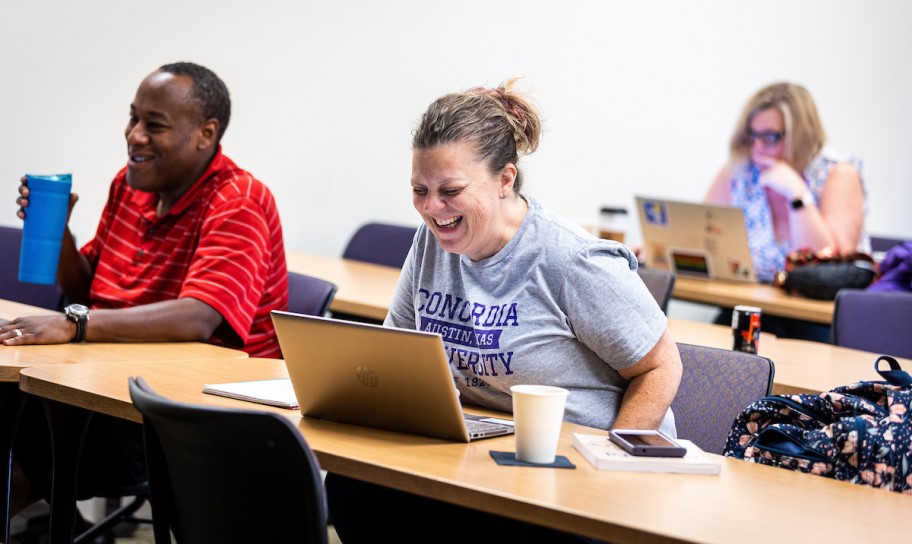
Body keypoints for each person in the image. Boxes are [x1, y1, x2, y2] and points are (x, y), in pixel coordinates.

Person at [325, 80, 683, 542]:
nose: (432, 208)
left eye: (451, 190)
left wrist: (608, 469)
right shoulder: (431, 244)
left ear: (505, 181)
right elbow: (397, 352)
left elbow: (662, 365)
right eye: (419, 190)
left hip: (574, 469)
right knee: (354, 490)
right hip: (488, 456)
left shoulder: (571, 260)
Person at [5, 62, 288, 523]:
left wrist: (74, 324)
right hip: (111, 380)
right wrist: (59, 235)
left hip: (189, 412)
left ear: (205, 133)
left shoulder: (239, 200)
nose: (134, 135)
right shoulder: (129, 184)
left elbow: (199, 316)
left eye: (154, 125)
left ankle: (40, 522)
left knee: (30, 423)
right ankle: (43, 524)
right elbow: (87, 288)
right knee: (19, 404)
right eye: (133, 117)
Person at [704, 82, 867, 340]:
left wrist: (797, 195)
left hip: (816, 318)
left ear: (801, 136)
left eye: (770, 137)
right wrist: (658, 248)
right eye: (752, 136)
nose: (757, 148)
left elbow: (828, 265)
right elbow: (703, 236)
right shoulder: (741, 172)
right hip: (753, 306)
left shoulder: (837, 174)